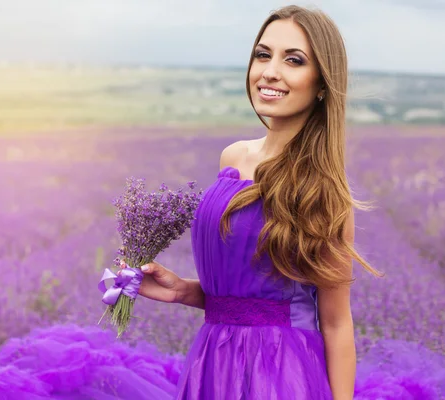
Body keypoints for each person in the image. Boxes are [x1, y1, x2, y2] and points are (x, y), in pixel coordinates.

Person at [118, 5, 381, 400]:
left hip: (281, 372)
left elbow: (336, 323)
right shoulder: (232, 158)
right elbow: (250, 294)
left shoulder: (321, 190)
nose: (270, 71)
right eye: (263, 54)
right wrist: (181, 291)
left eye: (294, 60)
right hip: (213, 360)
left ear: (322, 84)